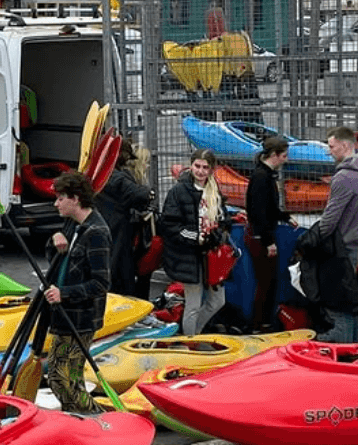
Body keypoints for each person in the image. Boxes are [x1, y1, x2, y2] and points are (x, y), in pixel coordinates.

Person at [44, 171, 111, 414]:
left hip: (80, 317)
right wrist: (55, 240)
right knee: (60, 378)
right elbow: (58, 260)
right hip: (64, 314)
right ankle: (79, 420)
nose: (56, 203)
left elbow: (101, 282)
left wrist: (66, 293)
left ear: (75, 199)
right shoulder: (74, 224)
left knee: (63, 380)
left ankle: (97, 420)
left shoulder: (96, 233)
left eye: (60, 198)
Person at [160, 149, 229, 336]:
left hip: (211, 256)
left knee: (218, 301)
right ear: (191, 166)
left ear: (211, 170)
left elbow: (223, 217)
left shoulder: (214, 189)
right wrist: (196, 237)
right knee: (193, 304)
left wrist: (219, 232)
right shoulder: (178, 191)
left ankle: (193, 333)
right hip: (188, 256)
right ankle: (190, 341)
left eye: (205, 167)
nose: (200, 171)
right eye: (197, 166)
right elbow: (170, 225)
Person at [315, 127, 358, 342]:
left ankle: (342, 344)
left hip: (342, 245)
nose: (329, 151)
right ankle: (354, 341)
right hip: (357, 242)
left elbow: (331, 217)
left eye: (331, 146)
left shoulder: (344, 177)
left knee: (338, 301)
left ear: (345, 145)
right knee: (351, 299)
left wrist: (314, 239)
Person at [244, 136, 293, 332]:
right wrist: (268, 241)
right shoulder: (262, 177)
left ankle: (262, 322)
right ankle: (259, 324)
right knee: (266, 283)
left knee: (268, 282)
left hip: (260, 234)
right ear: (274, 155)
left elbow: (266, 208)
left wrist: (285, 217)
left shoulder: (264, 175)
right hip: (260, 237)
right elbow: (259, 212)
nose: (286, 159)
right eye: (284, 155)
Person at [94, 140, 153, 296]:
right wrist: (149, 195)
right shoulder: (118, 177)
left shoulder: (102, 173)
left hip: (109, 228)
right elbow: (140, 195)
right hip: (119, 230)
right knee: (119, 272)